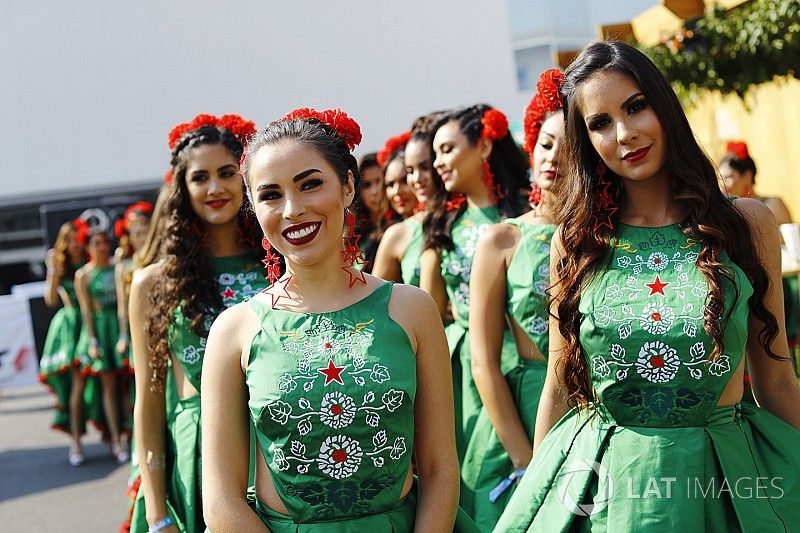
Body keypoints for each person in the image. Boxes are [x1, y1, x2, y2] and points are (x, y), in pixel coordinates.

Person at [496, 41, 800, 532]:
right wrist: (542, 497)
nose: (624, 134)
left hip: (726, 485)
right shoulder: (574, 241)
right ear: (585, 139)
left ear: (664, 105)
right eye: (599, 123)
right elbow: (559, 381)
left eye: (636, 107)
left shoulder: (746, 225)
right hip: (611, 490)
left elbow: (777, 380)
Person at [201, 107, 472, 532]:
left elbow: (439, 468)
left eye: (310, 185)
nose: (293, 209)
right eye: (271, 195)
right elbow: (220, 503)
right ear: (252, 207)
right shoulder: (233, 332)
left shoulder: (411, 309)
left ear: (347, 187)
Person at [128, 113, 263, 533]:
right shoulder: (153, 283)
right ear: (182, 190)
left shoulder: (277, 266)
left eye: (227, 173)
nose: (215, 188)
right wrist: (156, 513)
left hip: (277, 443)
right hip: (198, 452)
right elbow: (149, 404)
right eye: (200, 178)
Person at [460, 69, 565, 531]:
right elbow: (482, 361)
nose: (553, 157)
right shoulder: (502, 239)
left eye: (570, 146)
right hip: (523, 408)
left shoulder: (610, 237)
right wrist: (528, 461)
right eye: (545, 143)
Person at [418, 105, 530, 461]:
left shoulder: (529, 215)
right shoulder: (442, 227)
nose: (437, 163)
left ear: (483, 147)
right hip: (465, 369)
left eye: (447, 150)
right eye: (435, 153)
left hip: (528, 359)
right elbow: (428, 309)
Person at [74, 227, 127, 464]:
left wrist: (124, 334)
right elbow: (85, 310)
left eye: (104, 242)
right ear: (88, 248)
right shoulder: (83, 275)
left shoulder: (118, 268)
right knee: (108, 387)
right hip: (99, 329)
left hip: (119, 327)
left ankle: (130, 437)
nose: (102, 247)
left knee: (126, 386)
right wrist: (93, 340)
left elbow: (124, 304)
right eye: (96, 243)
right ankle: (116, 439)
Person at [373, 114, 446, 286]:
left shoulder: (470, 219)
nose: (417, 178)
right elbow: (376, 306)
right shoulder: (398, 234)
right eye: (411, 171)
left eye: (424, 167)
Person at [38, 220, 88, 460]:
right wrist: (51, 270)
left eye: (77, 238)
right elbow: (49, 299)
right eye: (69, 240)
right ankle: (75, 442)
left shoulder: (90, 259)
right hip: (70, 326)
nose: (74, 244)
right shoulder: (60, 264)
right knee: (76, 385)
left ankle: (116, 439)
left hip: (93, 324)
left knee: (107, 385)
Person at [114, 201, 153, 435]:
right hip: (138, 330)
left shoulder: (161, 258)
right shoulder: (125, 266)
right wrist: (122, 335)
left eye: (144, 230)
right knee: (140, 385)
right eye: (135, 233)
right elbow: (122, 305)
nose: (140, 236)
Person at [719, 142, 792, 226]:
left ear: (747, 176)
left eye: (728, 177)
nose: (722, 183)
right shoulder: (726, 211)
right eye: (719, 178)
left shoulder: (773, 204)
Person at [352, 153, 393, 272]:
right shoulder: (352, 234)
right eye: (367, 185)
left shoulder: (398, 227)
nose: (375, 191)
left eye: (379, 181)